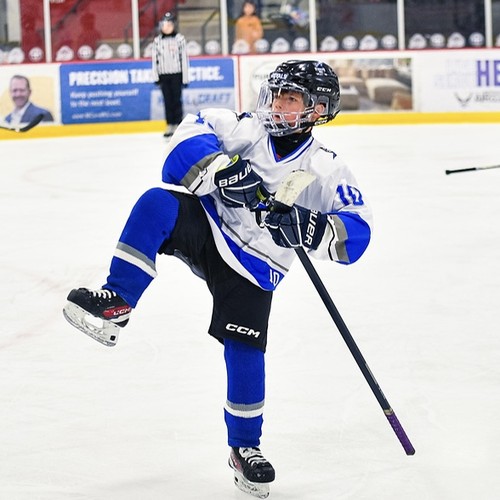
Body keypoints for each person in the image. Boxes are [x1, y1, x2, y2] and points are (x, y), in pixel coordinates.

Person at [63, 60, 372, 498]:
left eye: (289, 99)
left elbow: (358, 231)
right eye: (275, 95)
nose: (276, 105)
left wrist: (311, 227)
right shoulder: (247, 129)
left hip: (256, 267)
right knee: (157, 202)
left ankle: (245, 447)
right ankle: (118, 300)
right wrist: (220, 169)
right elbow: (188, 133)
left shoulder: (326, 168)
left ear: (318, 109)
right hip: (209, 228)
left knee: (245, 348)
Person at [151, 12, 189, 138]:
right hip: (164, 75)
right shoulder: (157, 41)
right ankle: (170, 124)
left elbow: (184, 59)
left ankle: (178, 124)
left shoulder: (180, 39)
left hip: (176, 74)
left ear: (174, 25)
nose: (166, 27)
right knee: (167, 100)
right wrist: (156, 76)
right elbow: (154, 60)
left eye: (169, 24)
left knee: (176, 100)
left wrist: (185, 78)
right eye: (164, 25)